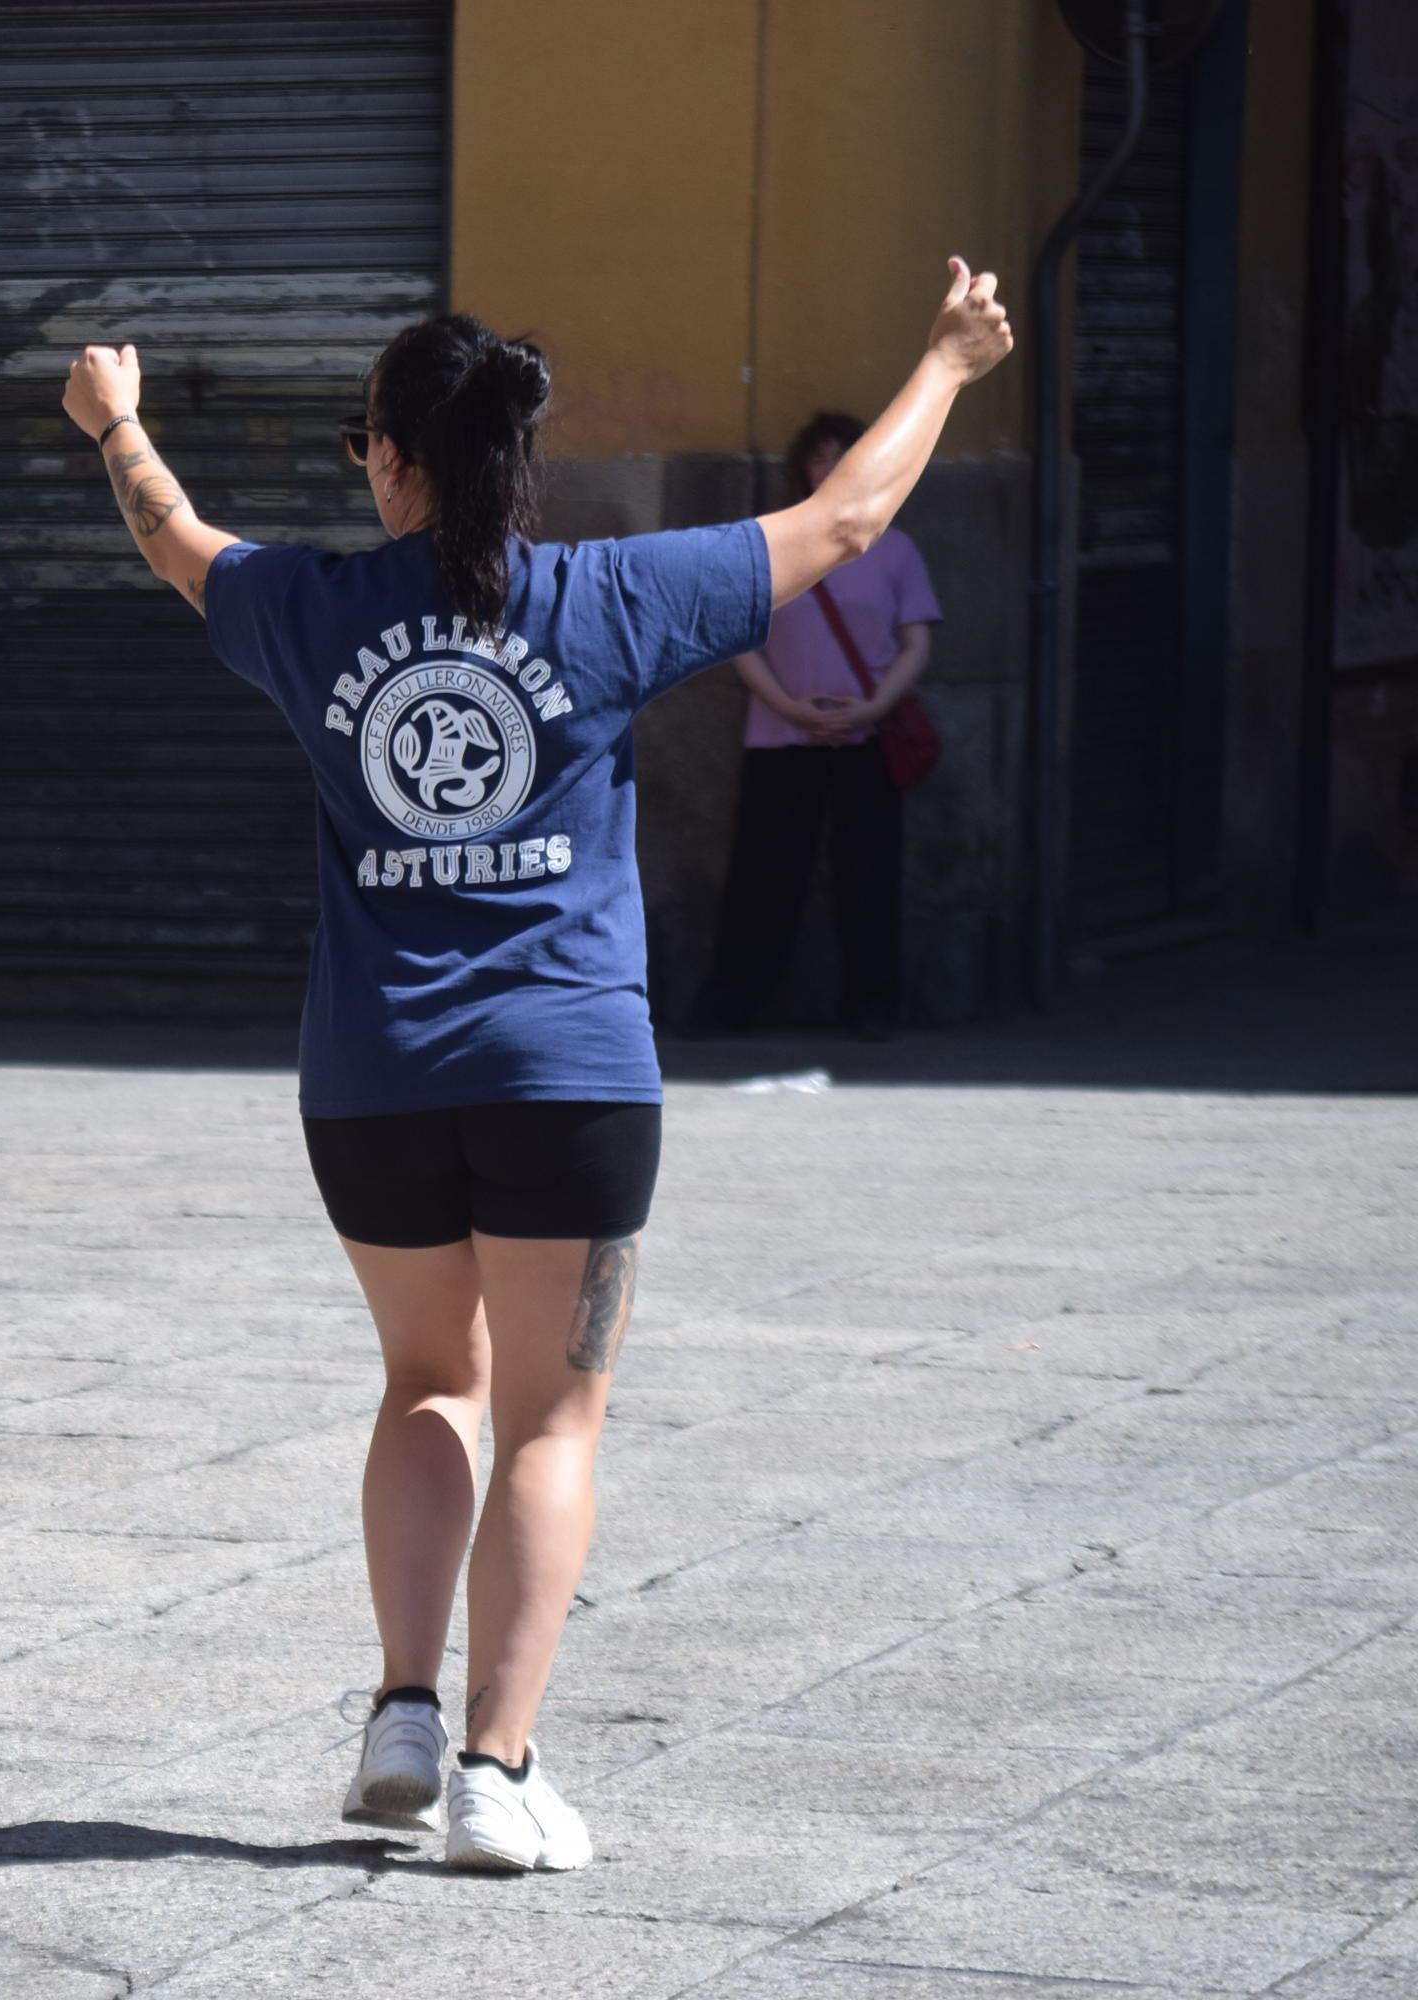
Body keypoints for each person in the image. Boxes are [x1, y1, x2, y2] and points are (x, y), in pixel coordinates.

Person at [59, 258, 1011, 1871]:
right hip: (569, 1073)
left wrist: (115, 422)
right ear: (518, 458)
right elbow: (846, 524)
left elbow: (170, 536)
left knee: (425, 1382)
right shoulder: (612, 599)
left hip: (368, 1080)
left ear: (384, 456)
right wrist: (945, 362)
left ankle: (401, 1716)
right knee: (551, 1423)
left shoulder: (307, 608)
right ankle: (498, 1774)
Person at [689, 412, 942, 1038]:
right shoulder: (772, 541)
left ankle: (874, 1004)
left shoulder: (897, 548)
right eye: (820, 457)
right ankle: (731, 1004)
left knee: (870, 873)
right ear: (801, 466)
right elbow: (738, 639)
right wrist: (786, 706)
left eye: (845, 455)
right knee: (765, 872)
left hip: (867, 737)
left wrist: (876, 706)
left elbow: (915, 642)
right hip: (781, 735)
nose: (831, 469)